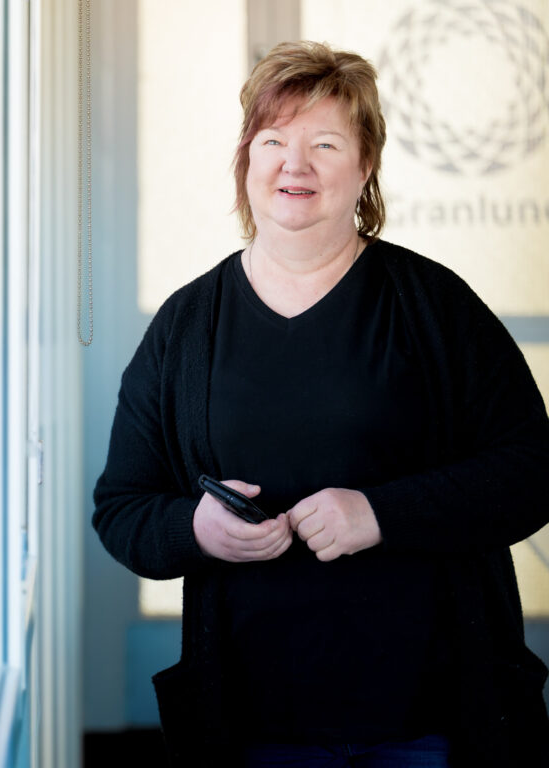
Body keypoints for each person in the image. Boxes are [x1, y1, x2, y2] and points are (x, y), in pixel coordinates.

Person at [92, 41, 549, 767]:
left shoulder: (435, 306)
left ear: (365, 167)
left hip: (426, 725)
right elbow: (122, 509)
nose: (294, 165)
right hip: (251, 728)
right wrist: (196, 528)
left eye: (325, 144)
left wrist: (380, 514)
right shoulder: (186, 326)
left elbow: (531, 471)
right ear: (246, 161)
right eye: (272, 141)